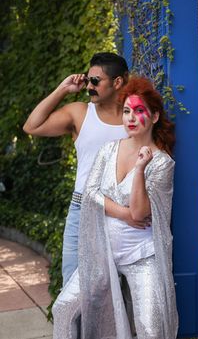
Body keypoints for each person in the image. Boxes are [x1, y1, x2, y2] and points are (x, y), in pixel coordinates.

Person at [52, 76, 179, 339]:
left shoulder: (162, 163)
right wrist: (121, 212)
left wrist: (141, 168)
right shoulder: (108, 150)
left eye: (139, 110)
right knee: (63, 307)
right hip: (103, 252)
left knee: (151, 329)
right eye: (126, 111)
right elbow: (90, 193)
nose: (131, 118)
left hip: (142, 256)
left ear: (154, 117)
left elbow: (140, 213)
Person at [23, 52, 135, 287]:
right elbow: (32, 126)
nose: (89, 86)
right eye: (88, 79)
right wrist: (62, 89)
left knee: (119, 291)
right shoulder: (80, 113)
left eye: (95, 81)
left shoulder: (134, 116)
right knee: (73, 287)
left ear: (117, 82)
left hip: (123, 212)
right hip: (83, 208)